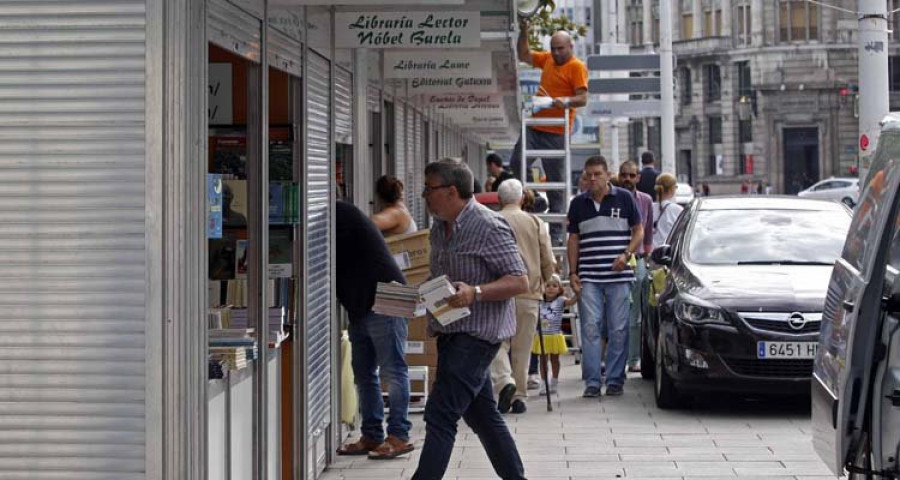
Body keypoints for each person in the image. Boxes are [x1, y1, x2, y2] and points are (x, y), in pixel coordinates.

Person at [413, 158, 529, 480]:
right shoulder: (439, 228)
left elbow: (520, 280)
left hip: (478, 336)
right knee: (481, 415)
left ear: (452, 191)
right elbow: (440, 277)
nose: (425, 195)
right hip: (450, 332)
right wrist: (418, 295)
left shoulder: (489, 225)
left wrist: (475, 292)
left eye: (429, 188)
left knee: (440, 414)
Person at [335, 201, 414, 460]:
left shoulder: (341, 215)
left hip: (387, 294)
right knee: (364, 373)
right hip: (361, 303)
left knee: (393, 370)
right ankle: (372, 434)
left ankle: (399, 436)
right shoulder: (337, 217)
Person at [567, 155, 644, 399]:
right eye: (588, 174)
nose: (592, 178)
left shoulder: (624, 198)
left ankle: (614, 380)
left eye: (597, 174)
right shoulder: (578, 203)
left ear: (607, 174)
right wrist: (572, 272)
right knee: (590, 328)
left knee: (619, 328)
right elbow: (573, 239)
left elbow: (638, 230)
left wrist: (626, 253)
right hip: (589, 274)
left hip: (618, 275)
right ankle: (591, 381)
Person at [510, 19, 588, 223]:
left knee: (556, 182)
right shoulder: (548, 60)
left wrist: (566, 101)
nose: (556, 53)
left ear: (570, 47)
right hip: (536, 126)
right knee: (517, 161)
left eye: (560, 49)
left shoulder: (577, 67)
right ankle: (534, 198)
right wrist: (524, 30)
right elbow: (524, 55)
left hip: (557, 131)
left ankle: (555, 231)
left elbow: (583, 98)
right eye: (553, 49)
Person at [489, 179, 556, 414]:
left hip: (498, 291)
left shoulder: (491, 220)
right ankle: (519, 396)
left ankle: (504, 381)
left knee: (496, 342)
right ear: (520, 199)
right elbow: (547, 258)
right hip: (529, 291)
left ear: (499, 199)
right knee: (522, 347)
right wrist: (549, 279)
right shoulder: (536, 222)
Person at [618, 160, 654, 373]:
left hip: (638, 260)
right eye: (624, 175)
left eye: (632, 175)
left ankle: (633, 358)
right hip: (615, 260)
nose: (628, 179)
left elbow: (647, 230)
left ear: (638, 178)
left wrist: (648, 256)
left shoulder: (646, 200)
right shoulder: (611, 198)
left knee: (636, 316)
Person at [533, 274, 579, 394]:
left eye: (554, 286)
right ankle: (544, 383)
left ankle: (554, 381)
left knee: (555, 359)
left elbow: (571, 302)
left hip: (554, 335)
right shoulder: (539, 301)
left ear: (559, 289)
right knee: (543, 360)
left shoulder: (561, 301)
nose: (551, 288)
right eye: (547, 286)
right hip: (542, 336)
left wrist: (578, 293)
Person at [653, 173, 685, 246]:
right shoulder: (677, 210)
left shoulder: (650, 207)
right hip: (668, 251)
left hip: (652, 252)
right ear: (671, 189)